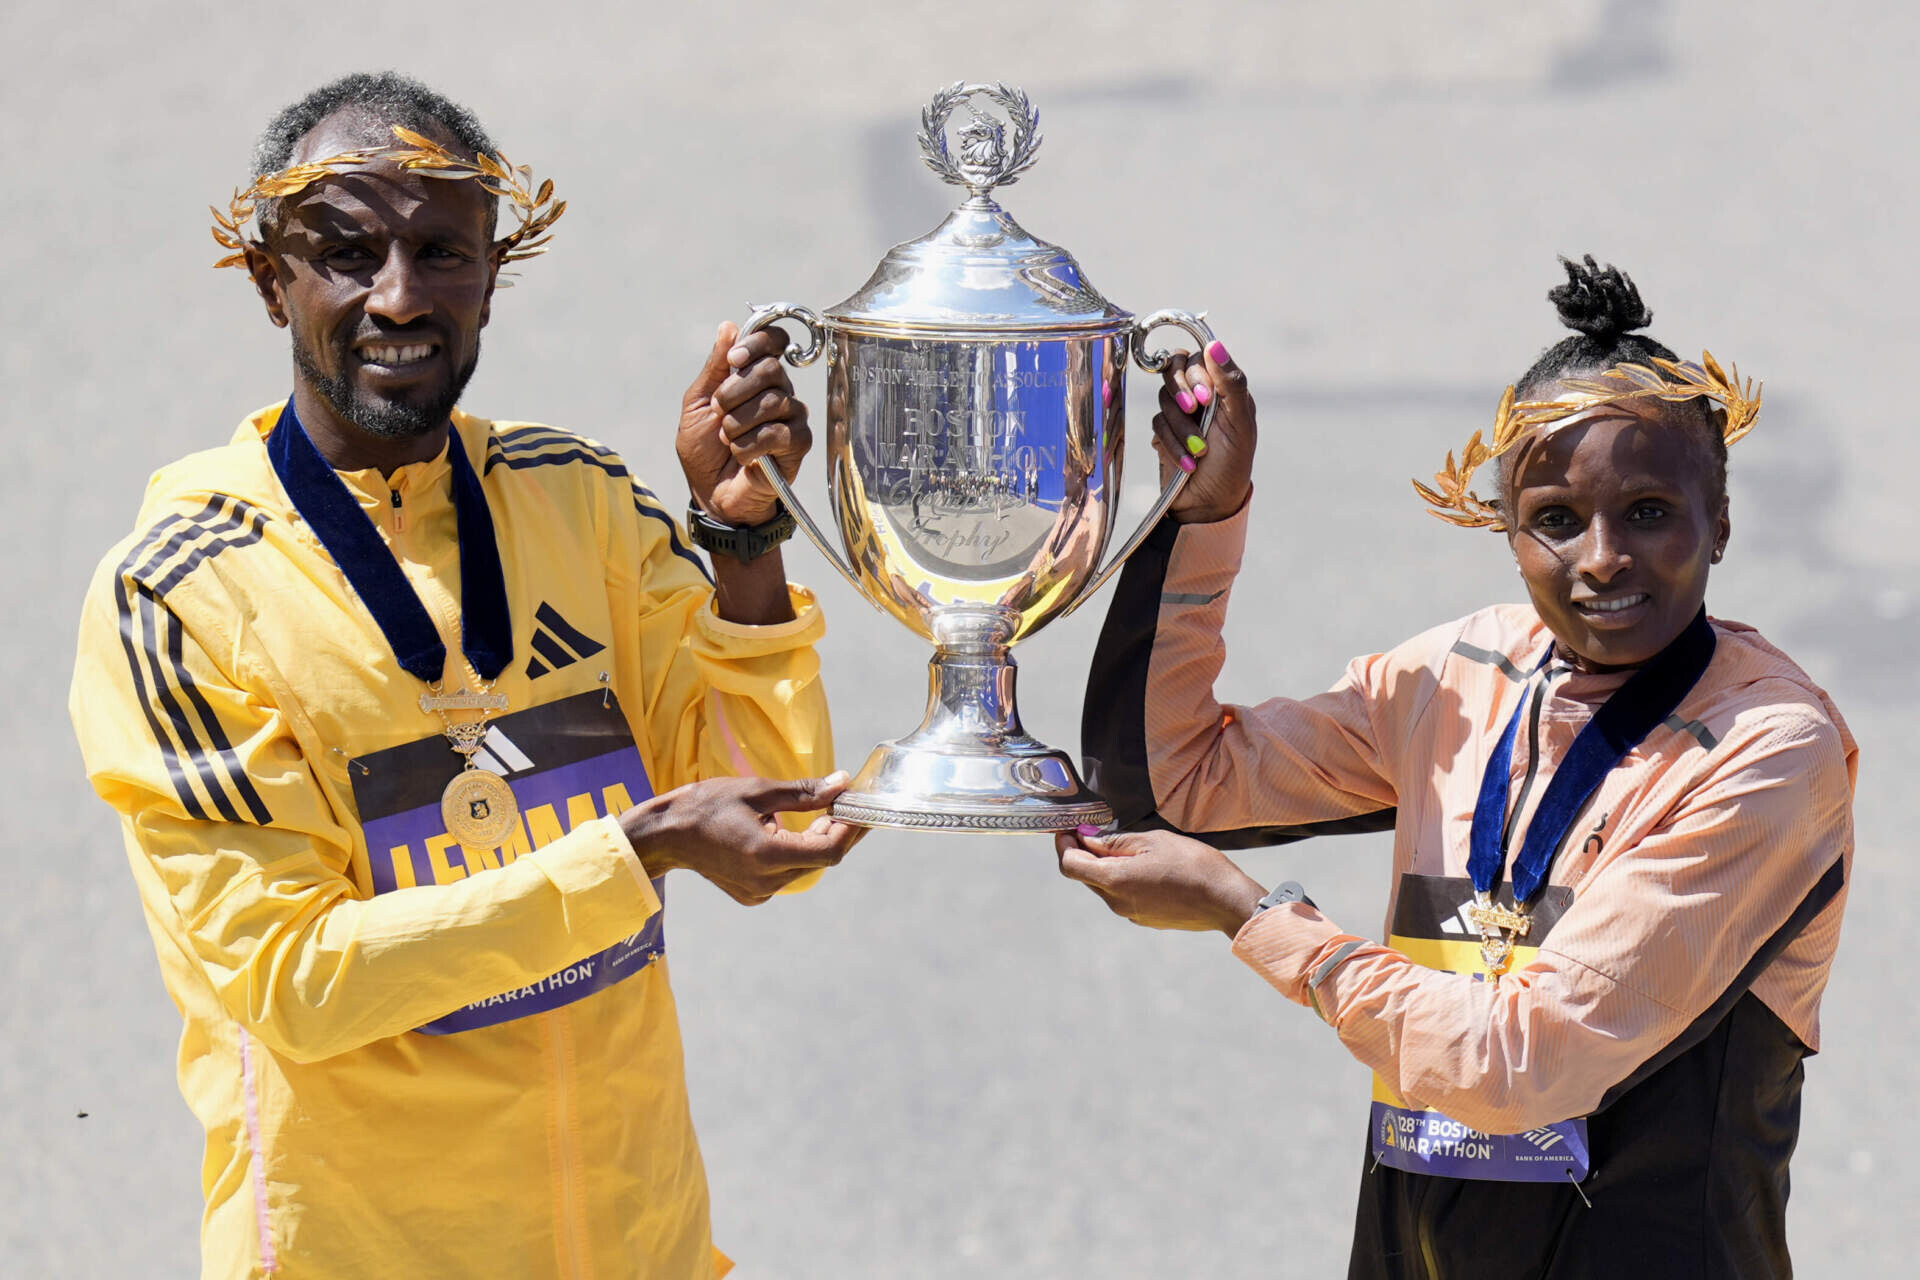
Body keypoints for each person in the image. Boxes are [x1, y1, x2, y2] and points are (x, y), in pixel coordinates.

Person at [68, 72, 858, 1279]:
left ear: (492, 275)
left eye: (441, 252)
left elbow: (775, 815)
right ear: (271, 281)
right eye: (347, 254)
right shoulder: (180, 594)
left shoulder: (580, 501)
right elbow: (297, 981)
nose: (398, 297)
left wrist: (743, 536)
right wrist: (632, 851)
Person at [1056, 257, 1856, 1277]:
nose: (1601, 556)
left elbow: (1521, 1061)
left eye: (1651, 511)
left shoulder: (1767, 748)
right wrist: (1206, 515)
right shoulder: (1460, 676)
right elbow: (1172, 782)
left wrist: (1254, 916)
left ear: (1722, 522)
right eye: (1556, 518)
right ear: (1508, 531)